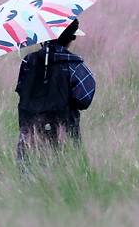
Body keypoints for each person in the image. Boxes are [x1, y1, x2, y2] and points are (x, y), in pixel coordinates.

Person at [15, 19, 96, 164]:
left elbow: (22, 91)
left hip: (28, 139)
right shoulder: (75, 65)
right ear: (71, 38)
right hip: (66, 139)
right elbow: (84, 99)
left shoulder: (28, 61)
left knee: (27, 181)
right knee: (65, 181)